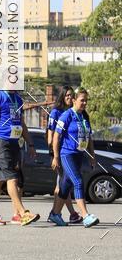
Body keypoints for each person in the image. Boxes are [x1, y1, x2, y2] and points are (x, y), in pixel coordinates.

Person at [0, 89, 39, 226]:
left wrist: (30, 144)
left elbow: (22, 124)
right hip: (2, 142)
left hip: (15, 142)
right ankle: (22, 213)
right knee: (12, 178)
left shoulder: (18, 99)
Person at [51, 88, 99, 228]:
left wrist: (92, 156)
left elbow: (89, 138)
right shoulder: (66, 116)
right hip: (67, 154)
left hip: (79, 155)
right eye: (82, 100)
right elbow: (56, 137)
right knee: (78, 181)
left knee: (65, 186)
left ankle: (55, 213)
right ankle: (85, 216)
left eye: (86, 100)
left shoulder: (84, 117)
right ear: (74, 100)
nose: (84, 103)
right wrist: (55, 156)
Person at [46, 87, 81, 225]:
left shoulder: (72, 112)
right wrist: (54, 154)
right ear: (62, 96)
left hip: (70, 152)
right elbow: (50, 134)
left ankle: (57, 212)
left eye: (72, 95)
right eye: (67, 95)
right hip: (59, 152)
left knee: (63, 183)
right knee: (64, 183)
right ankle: (69, 213)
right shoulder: (56, 112)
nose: (69, 97)